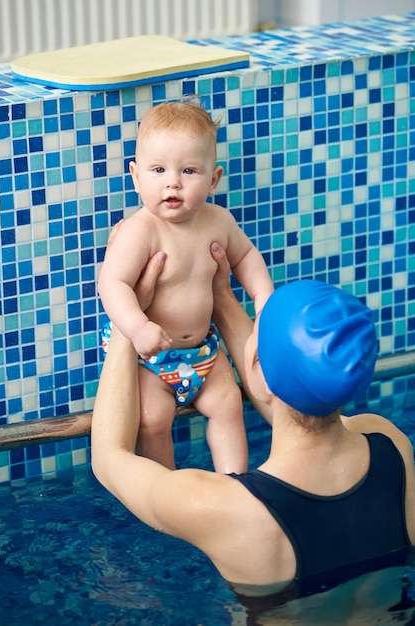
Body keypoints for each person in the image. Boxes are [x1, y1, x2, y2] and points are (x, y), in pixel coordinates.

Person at [91, 240, 415, 608]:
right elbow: (298, 393)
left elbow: (109, 459)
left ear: (257, 372)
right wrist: (223, 295)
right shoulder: (390, 444)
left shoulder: (230, 509)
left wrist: (126, 326)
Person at [98, 99, 273, 472]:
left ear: (213, 180)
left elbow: (244, 257)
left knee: (228, 404)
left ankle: (235, 482)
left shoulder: (218, 221)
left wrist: (263, 297)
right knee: (153, 419)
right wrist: (138, 328)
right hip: (151, 358)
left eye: (189, 170)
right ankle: (167, 490)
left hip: (204, 351)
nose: (172, 181)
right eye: (158, 169)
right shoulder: (140, 230)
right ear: (136, 176)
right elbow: (112, 284)